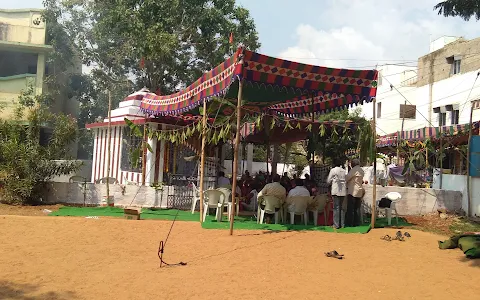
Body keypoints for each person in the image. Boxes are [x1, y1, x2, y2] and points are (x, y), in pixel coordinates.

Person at [327, 160, 347, 229]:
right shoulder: (344, 171)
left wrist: (332, 180)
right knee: (341, 208)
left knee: (336, 208)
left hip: (336, 190)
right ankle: (342, 224)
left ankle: (336, 225)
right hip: (343, 191)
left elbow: (328, 180)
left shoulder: (333, 170)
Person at [345, 159, 365, 227]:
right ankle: (356, 222)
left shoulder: (354, 170)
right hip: (359, 190)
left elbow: (347, 178)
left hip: (352, 191)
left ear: (353, 164)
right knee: (357, 208)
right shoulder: (361, 170)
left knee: (351, 208)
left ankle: (350, 223)